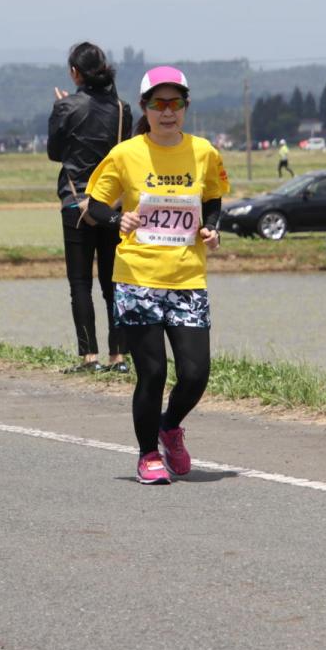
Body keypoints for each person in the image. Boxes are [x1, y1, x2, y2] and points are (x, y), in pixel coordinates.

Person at [84, 66, 229, 485]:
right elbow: (94, 205)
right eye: (158, 104)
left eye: (176, 103)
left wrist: (212, 228)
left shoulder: (204, 152)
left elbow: (214, 197)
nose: (168, 112)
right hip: (137, 277)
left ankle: (169, 426)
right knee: (152, 373)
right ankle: (148, 453)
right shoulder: (125, 154)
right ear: (145, 108)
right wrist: (117, 220)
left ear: (186, 107)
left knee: (196, 373)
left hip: (187, 278)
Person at [47, 42, 131, 374]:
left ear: (74, 73)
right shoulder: (123, 109)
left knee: (80, 283)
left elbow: (56, 153)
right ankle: (120, 357)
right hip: (112, 205)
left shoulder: (66, 108)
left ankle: (89, 358)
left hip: (75, 203)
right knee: (114, 284)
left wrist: (61, 108)